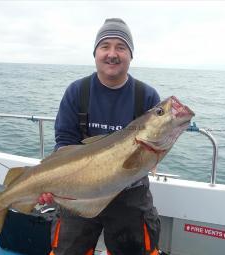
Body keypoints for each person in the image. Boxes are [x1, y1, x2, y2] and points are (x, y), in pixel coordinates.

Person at [46, 18, 161, 255]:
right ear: (95, 53)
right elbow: (65, 143)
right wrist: (52, 185)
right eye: (105, 46)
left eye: (121, 47)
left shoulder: (147, 97)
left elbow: (154, 148)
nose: (112, 54)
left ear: (131, 55)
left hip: (129, 194)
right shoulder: (77, 91)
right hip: (79, 192)